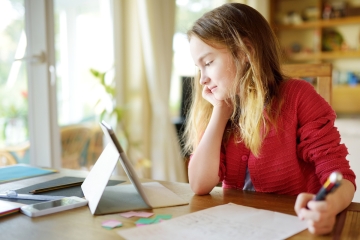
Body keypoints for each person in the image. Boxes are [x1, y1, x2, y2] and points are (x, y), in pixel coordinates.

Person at [183, 3, 356, 236]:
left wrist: (328, 207)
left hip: (293, 226)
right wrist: (220, 111)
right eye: (198, 68)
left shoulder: (298, 97)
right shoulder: (223, 106)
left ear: (245, 52)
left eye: (208, 62)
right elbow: (199, 184)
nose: (202, 79)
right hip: (238, 227)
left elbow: (340, 177)